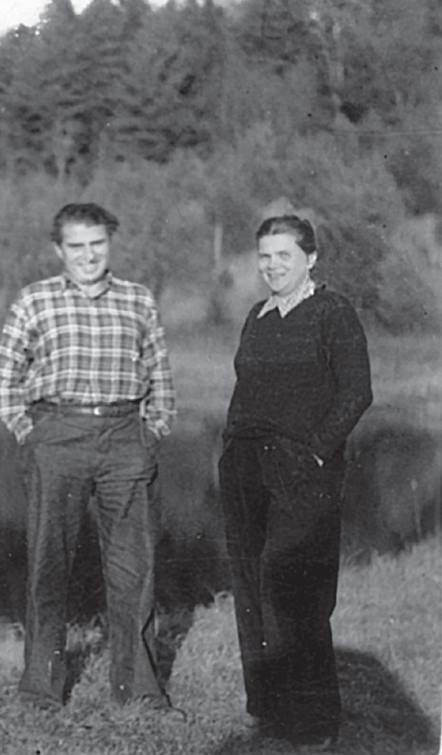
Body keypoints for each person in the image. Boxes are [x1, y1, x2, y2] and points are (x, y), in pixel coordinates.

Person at [0, 202, 179, 715]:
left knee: (132, 570)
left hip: (125, 437)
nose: (89, 255)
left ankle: (138, 689)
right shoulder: (34, 301)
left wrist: (153, 430)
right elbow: (7, 377)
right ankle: (41, 689)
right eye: (77, 246)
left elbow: (159, 373)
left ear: (109, 245)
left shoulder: (138, 301)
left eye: (97, 244)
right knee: (48, 568)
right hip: (58, 435)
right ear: (60, 251)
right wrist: (29, 431)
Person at [218, 214, 373, 751]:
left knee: (297, 594)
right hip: (245, 465)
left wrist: (314, 452)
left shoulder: (332, 310)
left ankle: (314, 721)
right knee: (250, 589)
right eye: (264, 256)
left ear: (311, 257)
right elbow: (247, 391)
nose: (272, 265)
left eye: (284, 255)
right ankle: (266, 709)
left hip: (303, 472)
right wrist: (230, 448)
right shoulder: (257, 316)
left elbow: (357, 392)